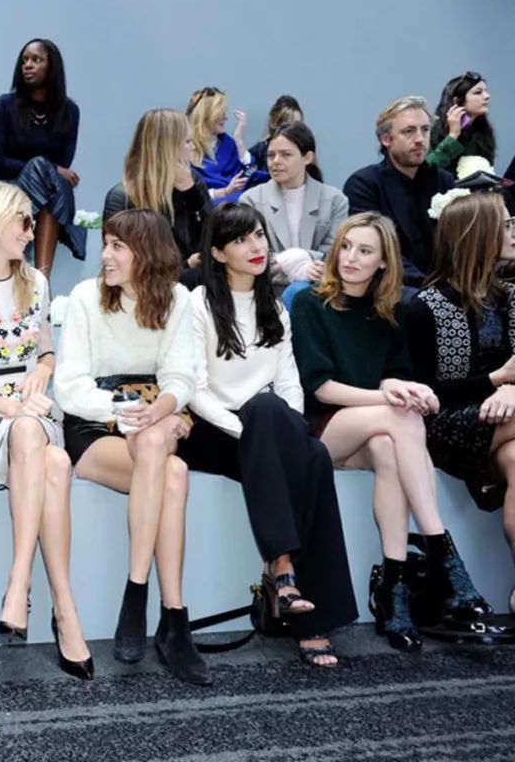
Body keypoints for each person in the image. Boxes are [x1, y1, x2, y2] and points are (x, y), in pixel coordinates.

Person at [291, 211, 490, 650]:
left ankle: (394, 587)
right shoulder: (309, 302)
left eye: (364, 251)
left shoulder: (390, 311)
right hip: (323, 430)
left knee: (388, 448)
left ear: (383, 261)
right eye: (346, 246)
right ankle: (441, 548)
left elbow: (396, 376)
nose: (350, 258)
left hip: (372, 431)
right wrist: (389, 396)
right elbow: (321, 388)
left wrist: (407, 391)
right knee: (400, 417)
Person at [178, 202, 358, 667]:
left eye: (258, 235)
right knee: (267, 412)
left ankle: (298, 600)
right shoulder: (197, 304)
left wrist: (286, 434)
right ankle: (283, 569)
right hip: (215, 429)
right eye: (241, 239)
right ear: (218, 253)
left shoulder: (275, 306)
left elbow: (290, 384)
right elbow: (196, 391)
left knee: (313, 455)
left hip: (268, 428)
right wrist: (253, 432)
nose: (256, 246)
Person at [55, 208, 210, 685]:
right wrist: (131, 410)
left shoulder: (177, 299)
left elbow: (181, 376)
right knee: (168, 465)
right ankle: (168, 618)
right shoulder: (86, 297)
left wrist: (160, 409)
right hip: (94, 425)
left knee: (163, 455)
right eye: (106, 244)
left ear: (148, 253)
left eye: (117, 247)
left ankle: (144, 596)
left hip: (151, 423)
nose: (105, 255)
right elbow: (70, 388)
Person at [0, 181, 92, 679]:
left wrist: (43, 371)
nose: (33, 233)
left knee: (46, 447)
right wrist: (10, 407)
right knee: (51, 456)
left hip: (32, 412)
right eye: (25, 222)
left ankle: (21, 589)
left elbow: (47, 350)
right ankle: (61, 607)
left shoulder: (35, 281)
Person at [403, 191, 515, 616]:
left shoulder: (512, 296)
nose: (513, 232)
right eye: (505, 225)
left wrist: (510, 391)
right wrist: (494, 382)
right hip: (448, 425)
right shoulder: (425, 308)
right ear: (478, 235)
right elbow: (426, 392)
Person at [0, 38, 85, 278]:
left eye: (36, 60)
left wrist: (51, 170)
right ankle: (42, 284)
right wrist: (50, 168)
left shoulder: (69, 111)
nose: (28, 65)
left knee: (48, 181)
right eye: (25, 60)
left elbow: (63, 166)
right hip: (12, 189)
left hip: (51, 192)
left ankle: (41, 281)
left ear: (52, 67)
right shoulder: (6, 104)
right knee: (42, 169)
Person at [343, 96, 455, 288]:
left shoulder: (444, 181)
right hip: (391, 286)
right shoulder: (364, 184)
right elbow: (376, 249)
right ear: (386, 139)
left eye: (425, 130)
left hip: (444, 284)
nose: (420, 139)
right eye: (409, 131)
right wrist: (429, 287)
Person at [103, 108, 212, 274]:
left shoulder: (192, 181)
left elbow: (217, 238)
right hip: (149, 284)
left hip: (195, 281)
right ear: (167, 149)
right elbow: (121, 261)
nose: (193, 147)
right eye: (188, 141)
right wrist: (186, 266)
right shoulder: (122, 197)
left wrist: (191, 194)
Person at [240, 121, 349, 288]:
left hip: (320, 291)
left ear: (308, 157)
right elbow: (249, 257)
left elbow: (333, 255)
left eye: (286, 154)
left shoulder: (335, 200)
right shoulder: (250, 200)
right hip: (267, 292)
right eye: (271, 155)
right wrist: (296, 267)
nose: (276, 161)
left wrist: (297, 258)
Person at [186, 87, 254, 205]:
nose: (226, 118)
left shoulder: (229, 144)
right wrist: (224, 191)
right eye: (220, 113)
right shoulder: (185, 148)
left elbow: (251, 172)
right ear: (206, 116)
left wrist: (239, 141)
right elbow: (187, 195)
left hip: (237, 206)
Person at [427, 71, 495, 175]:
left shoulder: (482, 131)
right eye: (478, 92)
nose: (487, 96)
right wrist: (453, 135)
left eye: (486, 91)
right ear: (457, 101)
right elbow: (427, 170)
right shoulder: (433, 129)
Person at [248, 95, 303, 175]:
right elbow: (247, 177)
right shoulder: (258, 153)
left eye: (297, 125)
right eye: (287, 126)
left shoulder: (304, 151)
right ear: (273, 124)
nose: (293, 131)